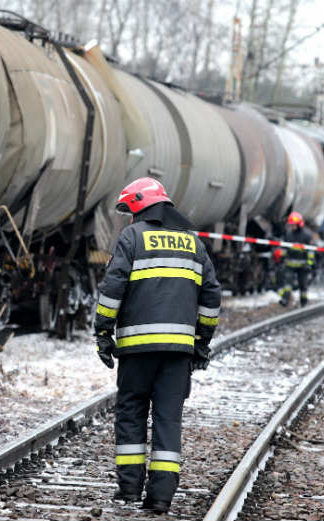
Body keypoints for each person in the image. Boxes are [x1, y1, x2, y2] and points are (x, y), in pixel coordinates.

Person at [94, 178, 221, 514]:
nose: (129, 217)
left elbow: (112, 289)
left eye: (130, 210)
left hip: (136, 353)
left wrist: (103, 333)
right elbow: (211, 297)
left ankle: (130, 490)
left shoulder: (132, 238)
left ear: (139, 206)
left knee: (131, 414)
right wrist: (201, 342)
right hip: (178, 354)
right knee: (168, 419)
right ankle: (161, 498)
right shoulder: (194, 244)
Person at [275, 211, 315, 307]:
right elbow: (284, 248)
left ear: (299, 224)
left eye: (294, 225)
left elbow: (311, 251)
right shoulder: (288, 234)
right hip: (290, 264)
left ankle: (304, 301)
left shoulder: (307, 235)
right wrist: (281, 259)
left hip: (303, 266)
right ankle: (285, 299)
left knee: (303, 285)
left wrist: (309, 263)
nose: (292, 226)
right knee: (287, 283)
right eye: (291, 225)